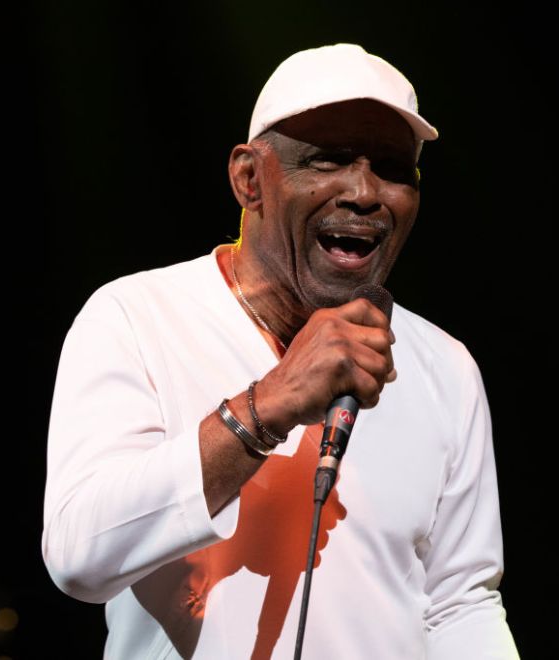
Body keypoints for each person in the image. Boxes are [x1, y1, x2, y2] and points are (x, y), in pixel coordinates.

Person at [42, 43, 519, 659]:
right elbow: (80, 558)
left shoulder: (444, 365)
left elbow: (461, 601)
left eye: (394, 169)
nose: (365, 192)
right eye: (329, 160)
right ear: (248, 178)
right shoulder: (136, 317)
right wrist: (265, 407)